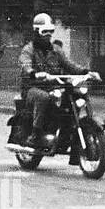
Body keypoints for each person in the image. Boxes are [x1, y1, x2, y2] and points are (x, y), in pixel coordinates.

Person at [18, 12, 95, 148]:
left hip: (54, 86)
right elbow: (25, 64)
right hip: (32, 88)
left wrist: (86, 72)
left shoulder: (56, 50)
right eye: (44, 31)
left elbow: (69, 64)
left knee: (74, 95)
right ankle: (35, 135)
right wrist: (33, 73)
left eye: (50, 31)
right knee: (43, 98)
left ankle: (67, 133)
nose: (48, 35)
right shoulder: (29, 49)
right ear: (36, 32)